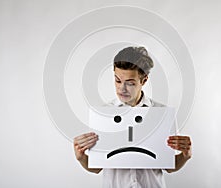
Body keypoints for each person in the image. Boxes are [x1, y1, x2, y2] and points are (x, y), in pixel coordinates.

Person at [74, 46, 192, 188]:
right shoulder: (103, 114)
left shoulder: (161, 114)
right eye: (117, 81)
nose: (121, 89)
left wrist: (185, 155)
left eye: (130, 83)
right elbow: (97, 167)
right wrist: (81, 157)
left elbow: (169, 165)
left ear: (144, 80)